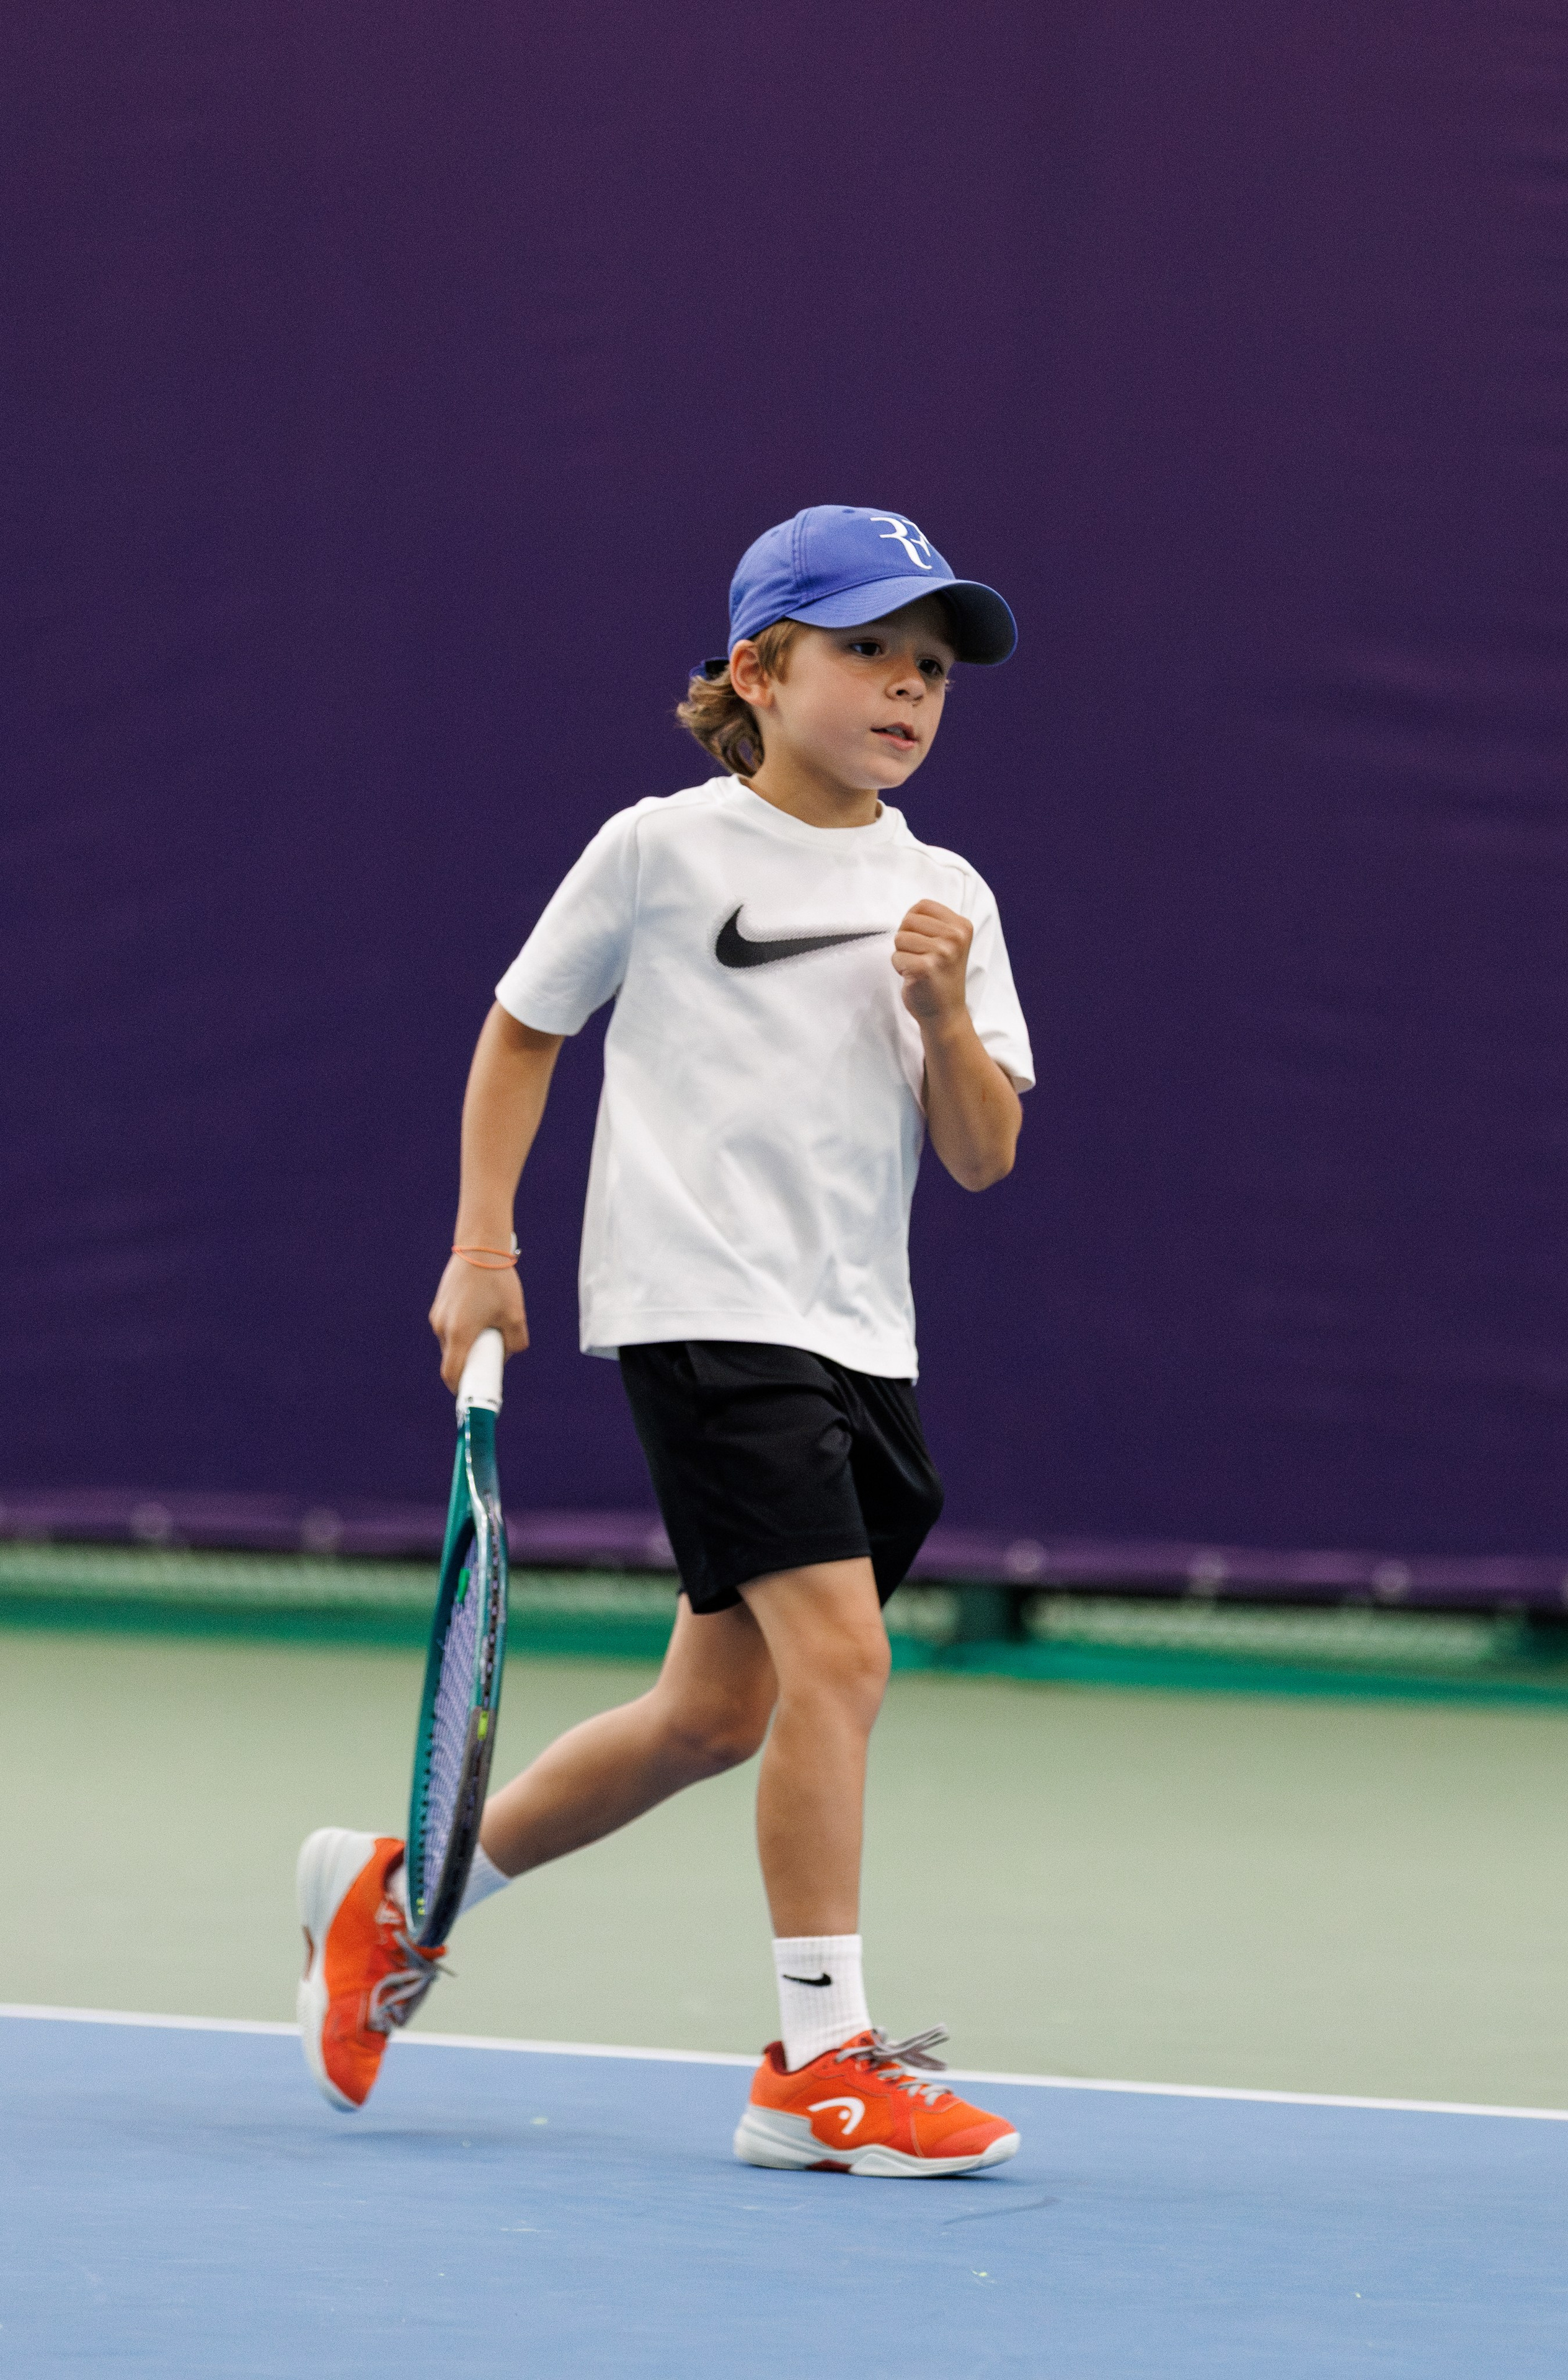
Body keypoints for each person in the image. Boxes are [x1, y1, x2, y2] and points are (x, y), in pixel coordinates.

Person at [296, 505, 1035, 2175]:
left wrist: (938, 1013)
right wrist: (482, 1246)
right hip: (704, 1318)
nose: (909, 692)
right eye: (869, 654)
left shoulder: (948, 894)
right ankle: (820, 2065)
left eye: (932, 669)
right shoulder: (660, 852)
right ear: (762, 672)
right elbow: (520, 1030)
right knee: (846, 1664)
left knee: (714, 1712)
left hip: (862, 1339)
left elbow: (984, 1151)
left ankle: (396, 1894)